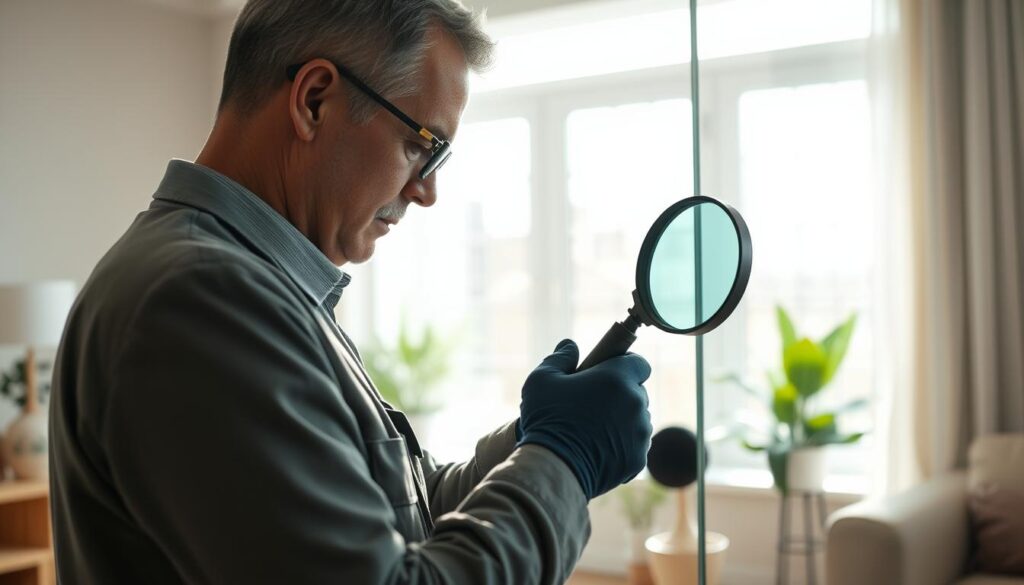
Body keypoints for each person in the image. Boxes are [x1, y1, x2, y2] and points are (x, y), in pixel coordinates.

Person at [49, 1, 653, 583]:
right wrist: (565, 457)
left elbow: (403, 517)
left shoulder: (262, 287)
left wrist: (530, 441)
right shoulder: (199, 299)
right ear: (314, 100)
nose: (426, 191)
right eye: (422, 145)